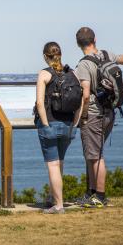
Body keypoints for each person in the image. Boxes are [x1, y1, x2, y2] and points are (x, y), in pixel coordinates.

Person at [74, 27, 123, 207]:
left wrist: (82, 117)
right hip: (109, 113)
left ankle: (100, 196)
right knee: (93, 154)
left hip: (94, 114)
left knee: (96, 156)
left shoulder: (83, 65)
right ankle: (91, 193)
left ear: (78, 43)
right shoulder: (106, 54)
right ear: (94, 39)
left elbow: (86, 93)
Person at [35, 42, 82, 214]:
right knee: (59, 164)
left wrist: (46, 125)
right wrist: (75, 124)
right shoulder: (72, 74)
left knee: (53, 165)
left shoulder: (44, 74)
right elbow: (81, 101)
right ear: (60, 55)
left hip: (50, 124)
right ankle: (53, 198)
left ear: (45, 56)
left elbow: (40, 102)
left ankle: (59, 205)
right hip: (68, 125)